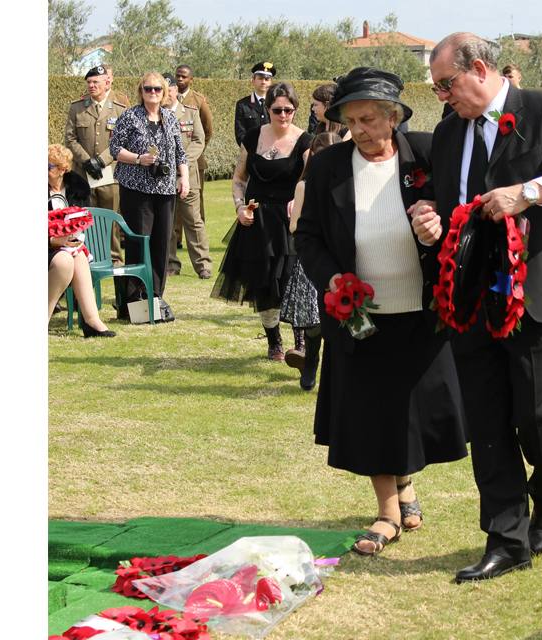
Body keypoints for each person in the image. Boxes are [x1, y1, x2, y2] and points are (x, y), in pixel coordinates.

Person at [418, 32, 542, 582]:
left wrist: (527, 192)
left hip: (537, 291)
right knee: (488, 419)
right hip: (471, 296)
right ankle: (507, 537)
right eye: (434, 89)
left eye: (446, 85)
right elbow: (446, 200)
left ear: (479, 69)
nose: (442, 97)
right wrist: (429, 216)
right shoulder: (449, 131)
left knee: (539, 416)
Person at [295, 67, 468, 556]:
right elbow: (306, 235)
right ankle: (388, 510)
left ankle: (407, 483)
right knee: (371, 409)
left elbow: (462, 211)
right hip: (358, 314)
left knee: (410, 408)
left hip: (422, 308)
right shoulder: (329, 165)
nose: (360, 131)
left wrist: (440, 232)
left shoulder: (429, 154)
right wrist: (331, 278)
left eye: (369, 119)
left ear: (394, 116)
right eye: (351, 121)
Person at [213, 81, 313, 360]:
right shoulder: (252, 137)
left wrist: (301, 196)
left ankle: (301, 344)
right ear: (267, 109)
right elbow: (239, 179)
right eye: (277, 109)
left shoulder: (306, 141)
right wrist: (238, 207)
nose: (283, 115)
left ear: (295, 110)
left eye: (289, 110)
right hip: (255, 221)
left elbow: (313, 178)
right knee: (263, 283)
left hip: (290, 223)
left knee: (293, 282)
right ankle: (274, 343)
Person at [109, 72, 190, 323]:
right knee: (138, 243)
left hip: (165, 190)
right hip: (136, 189)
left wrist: (184, 177)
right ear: (141, 91)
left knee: (161, 244)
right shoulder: (130, 116)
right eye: (148, 89)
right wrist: (137, 159)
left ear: (165, 91)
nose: (153, 92)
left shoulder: (169, 117)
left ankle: (154, 297)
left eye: (157, 88)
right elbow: (114, 148)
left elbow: (180, 152)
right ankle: (133, 299)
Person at [281, 132, 342, 390]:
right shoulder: (304, 186)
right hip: (313, 261)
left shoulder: (348, 183)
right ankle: (311, 362)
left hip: (341, 259)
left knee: (341, 318)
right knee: (314, 321)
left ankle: (336, 370)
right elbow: (295, 226)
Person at [48, 144, 116, 338]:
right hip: (47, 246)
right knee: (64, 262)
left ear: (63, 170)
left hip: (67, 245)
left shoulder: (77, 188)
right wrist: (53, 239)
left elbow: (82, 220)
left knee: (78, 256)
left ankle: (91, 320)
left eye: (48, 166)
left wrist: (72, 238)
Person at [64, 66, 130, 267]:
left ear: (107, 83)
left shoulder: (119, 109)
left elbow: (124, 139)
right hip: (82, 175)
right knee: (83, 216)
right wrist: (86, 161)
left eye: (96, 82)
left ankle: (115, 259)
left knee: (110, 217)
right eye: (89, 82)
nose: (91, 86)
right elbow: (70, 138)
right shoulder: (77, 107)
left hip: (109, 173)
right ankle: (87, 258)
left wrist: (101, 161)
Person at [162, 73, 213, 280]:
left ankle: (203, 264)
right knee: (167, 222)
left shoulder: (190, 113)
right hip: (163, 178)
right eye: (162, 91)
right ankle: (170, 263)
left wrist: (181, 163)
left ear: (176, 91)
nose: (166, 95)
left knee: (193, 221)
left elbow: (199, 141)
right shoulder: (154, 115)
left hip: (188, 176)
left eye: (169, 90)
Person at [174, 65, 214, 228]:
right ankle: (176, 237)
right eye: (178, 76)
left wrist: (195, 153)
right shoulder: (167, 98)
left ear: (191, 79)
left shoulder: (198, 100)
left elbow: (207, 130)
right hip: (172, 163)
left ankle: (198, 232)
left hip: (195, 162)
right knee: (174, 203)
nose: (180, 79)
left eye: (184, 77)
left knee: (195, 201)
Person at [234, 62, 275, 148]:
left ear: (270, 83)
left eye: (266, 79)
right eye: (260, 78)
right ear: (253, 81)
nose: (263, 82)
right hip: (251, 155)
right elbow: (240, 135)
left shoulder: (276, 104)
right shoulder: (242, 105)